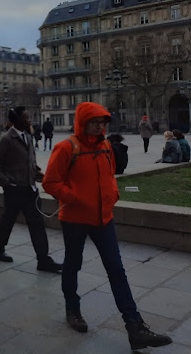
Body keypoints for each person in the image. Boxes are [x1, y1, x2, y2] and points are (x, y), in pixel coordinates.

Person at [42, 102, 172, 351]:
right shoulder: (67, 147)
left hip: (104, 218)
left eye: (102, 123)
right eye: (94, 122)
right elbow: (50, 182)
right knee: (73, 264)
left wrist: (112, 194)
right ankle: (73, 310)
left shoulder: (105, 146)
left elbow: (111, 173)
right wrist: (74, 197)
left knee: (116, 270)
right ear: (82, 122)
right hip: (75, 219)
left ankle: (135, 327)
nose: (100, 127)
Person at [0, 106, 62, 273]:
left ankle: (43, 259)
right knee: (8, 220)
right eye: (26, 117)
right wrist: (6, 182)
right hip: (14, 189)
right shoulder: (7, 138)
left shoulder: (28, 136)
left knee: (36, 223)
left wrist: (36, 171)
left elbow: (28, 161)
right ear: (17, 120)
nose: (29, 120)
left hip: (29, 188)